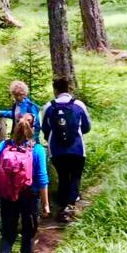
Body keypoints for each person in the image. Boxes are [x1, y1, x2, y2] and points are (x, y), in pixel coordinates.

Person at [0, 114, 50, 253]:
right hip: (29, 196)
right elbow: (41, 178)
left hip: (7, 195)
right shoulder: (37, 149)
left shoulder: (4, 145)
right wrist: (46, 203)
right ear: (32, 130)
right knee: (28, 233)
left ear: (15, 127)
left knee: (7, 234)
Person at [42, 77, 91, 222]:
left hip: (56, 150)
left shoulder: (48, 107)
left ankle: (62, 207)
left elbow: (46, 129)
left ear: (55, 90)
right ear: (69, 88)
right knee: (75, 176)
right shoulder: (79, 105)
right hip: (77, 148)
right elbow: (87, 127)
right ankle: (70, 205)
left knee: (63, 176)